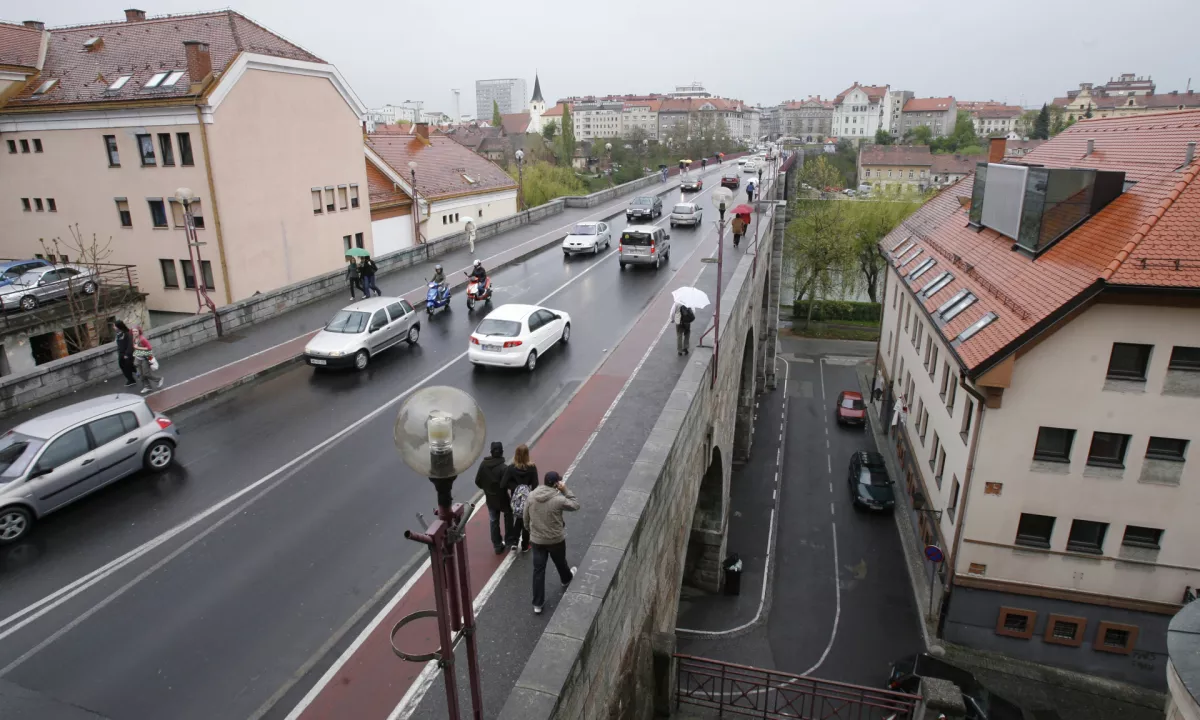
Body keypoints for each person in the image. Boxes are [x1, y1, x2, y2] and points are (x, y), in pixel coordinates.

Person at [524, 470, 578, 614]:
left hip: (537, 540)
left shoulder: (531, 496)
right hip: (555, 539)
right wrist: (565, 490)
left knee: (538, 570)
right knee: (560, 562)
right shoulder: (558, 500)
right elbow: (575, 505)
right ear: (556, 484)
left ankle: (537, 603)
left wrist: (530, 531)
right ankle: (566, 579)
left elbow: (525, 517)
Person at [475, 441, 512, 554]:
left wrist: (487, 489)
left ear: (491, 452)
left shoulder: (483, 465)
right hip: (502, 498)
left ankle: (497, 545)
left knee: (493, 520)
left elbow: (477, 481)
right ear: (502, 452)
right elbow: (508, 485)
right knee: (508, 516)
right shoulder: (504, 468)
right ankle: (509, 541)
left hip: (490, 498)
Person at [503, 443, 539, 552]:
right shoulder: (532, 467)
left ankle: (514, 541)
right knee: (526, 520)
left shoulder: (511, 468)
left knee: (519, 518)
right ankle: (525, 545)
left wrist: (516, 488)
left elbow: (503, 483)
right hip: (528, 498)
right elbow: (535, 484)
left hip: (516, 498)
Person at [131, 326, 163, 394]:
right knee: (140, 375)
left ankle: (159, 379)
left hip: (145, 358)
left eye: (136, 331)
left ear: (139, 331)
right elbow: (135, 349)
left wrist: (138, 347)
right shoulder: (134, 339)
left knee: (146, 374)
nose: (134, 333)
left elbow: (149, 348)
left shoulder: (142, 339)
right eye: (133, 331)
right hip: (138, 358)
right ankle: (147, 387)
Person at [113, 320, 136, 387]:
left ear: (118, 326)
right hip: (121, 354)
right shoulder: (118, 334)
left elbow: (130, 345)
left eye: (114, 326)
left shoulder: (127, 333)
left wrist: (127, 354)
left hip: (127, 354)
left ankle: (141, 374)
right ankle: (131, 380)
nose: (113, 327)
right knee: (123, 366)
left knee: (130, 366)